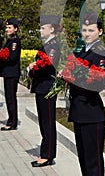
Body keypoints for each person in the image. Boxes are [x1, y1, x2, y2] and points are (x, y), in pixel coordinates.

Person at [67, 12, 105, 176]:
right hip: (80, 113)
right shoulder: (82, 51)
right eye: (84, 30)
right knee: (84, 160)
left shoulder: (100, 53)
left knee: (93, 163)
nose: (87, 34)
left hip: (92, 115)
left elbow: (99, 83)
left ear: (100, 31)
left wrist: (72, 78)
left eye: (91, 30)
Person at [28, 15, 61, 167]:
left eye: (43, 27)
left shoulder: (53, 45)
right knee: (43, 121)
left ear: (52, 29)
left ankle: (47, 155)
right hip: (42, 87)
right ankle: (46, 152)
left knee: (47, 122)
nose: (40, 30)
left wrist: (32, 69)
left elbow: (46, 66)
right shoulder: (47, 45)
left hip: (47, 87)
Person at [0, 18, 21, 131]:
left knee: (11, 98)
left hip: (12, 73)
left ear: (15, 29)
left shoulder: (15, 41)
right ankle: (11, 119)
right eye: (7, 27)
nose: (7, 29)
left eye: (9, 28)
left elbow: (12, 58)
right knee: (8, 97)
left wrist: (1, 58)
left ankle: (12, 122)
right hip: (8, 73)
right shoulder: (9, 40)